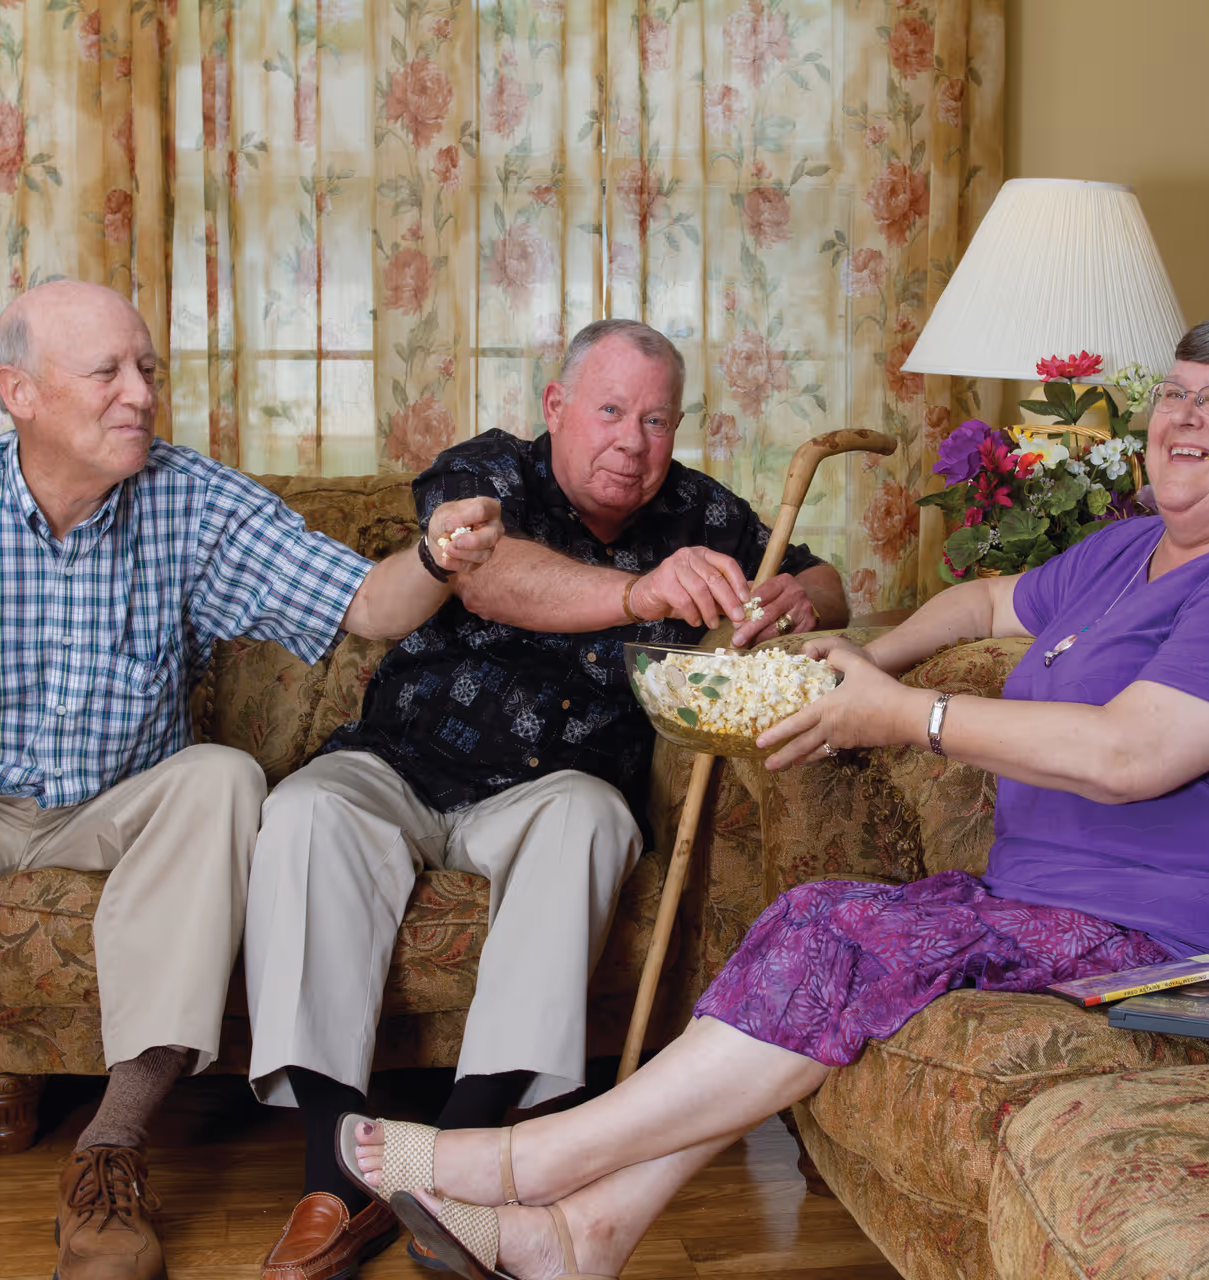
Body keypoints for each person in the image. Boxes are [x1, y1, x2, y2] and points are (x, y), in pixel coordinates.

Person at [333, 303, 1209, 1280]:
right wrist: (869, 650)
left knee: (839, 935)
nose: (1182, 417)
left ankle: (519, 1163)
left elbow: (1129, 754)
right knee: (813, 915)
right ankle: (581, 1234)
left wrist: (904, 713)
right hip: (1056, 909)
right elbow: (981, 601)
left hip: (1189, 938)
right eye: (1174, 392)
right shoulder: (1135, 550)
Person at [0, 280, 502, 1280]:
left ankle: (111, 1150)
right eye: (108, 372)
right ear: (21, 391)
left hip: (113, 802)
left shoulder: (189, 496)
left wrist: (436, 558)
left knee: (224, 776)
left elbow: (365, 603)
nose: (140, 392)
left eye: (148, 369)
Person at [246, 319, 848, 1278]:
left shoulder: (695, 508)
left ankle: (460, 1160)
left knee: (593, 821)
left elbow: (819, 568)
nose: (631, 441)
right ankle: (334, 1175)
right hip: (401, 761)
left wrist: (801, 599)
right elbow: (488, 578)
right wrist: (640, 590)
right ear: (557, 408)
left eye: (657, 420)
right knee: (305, 811)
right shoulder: (487, 473)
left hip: (551, 788)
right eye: (609, 410)